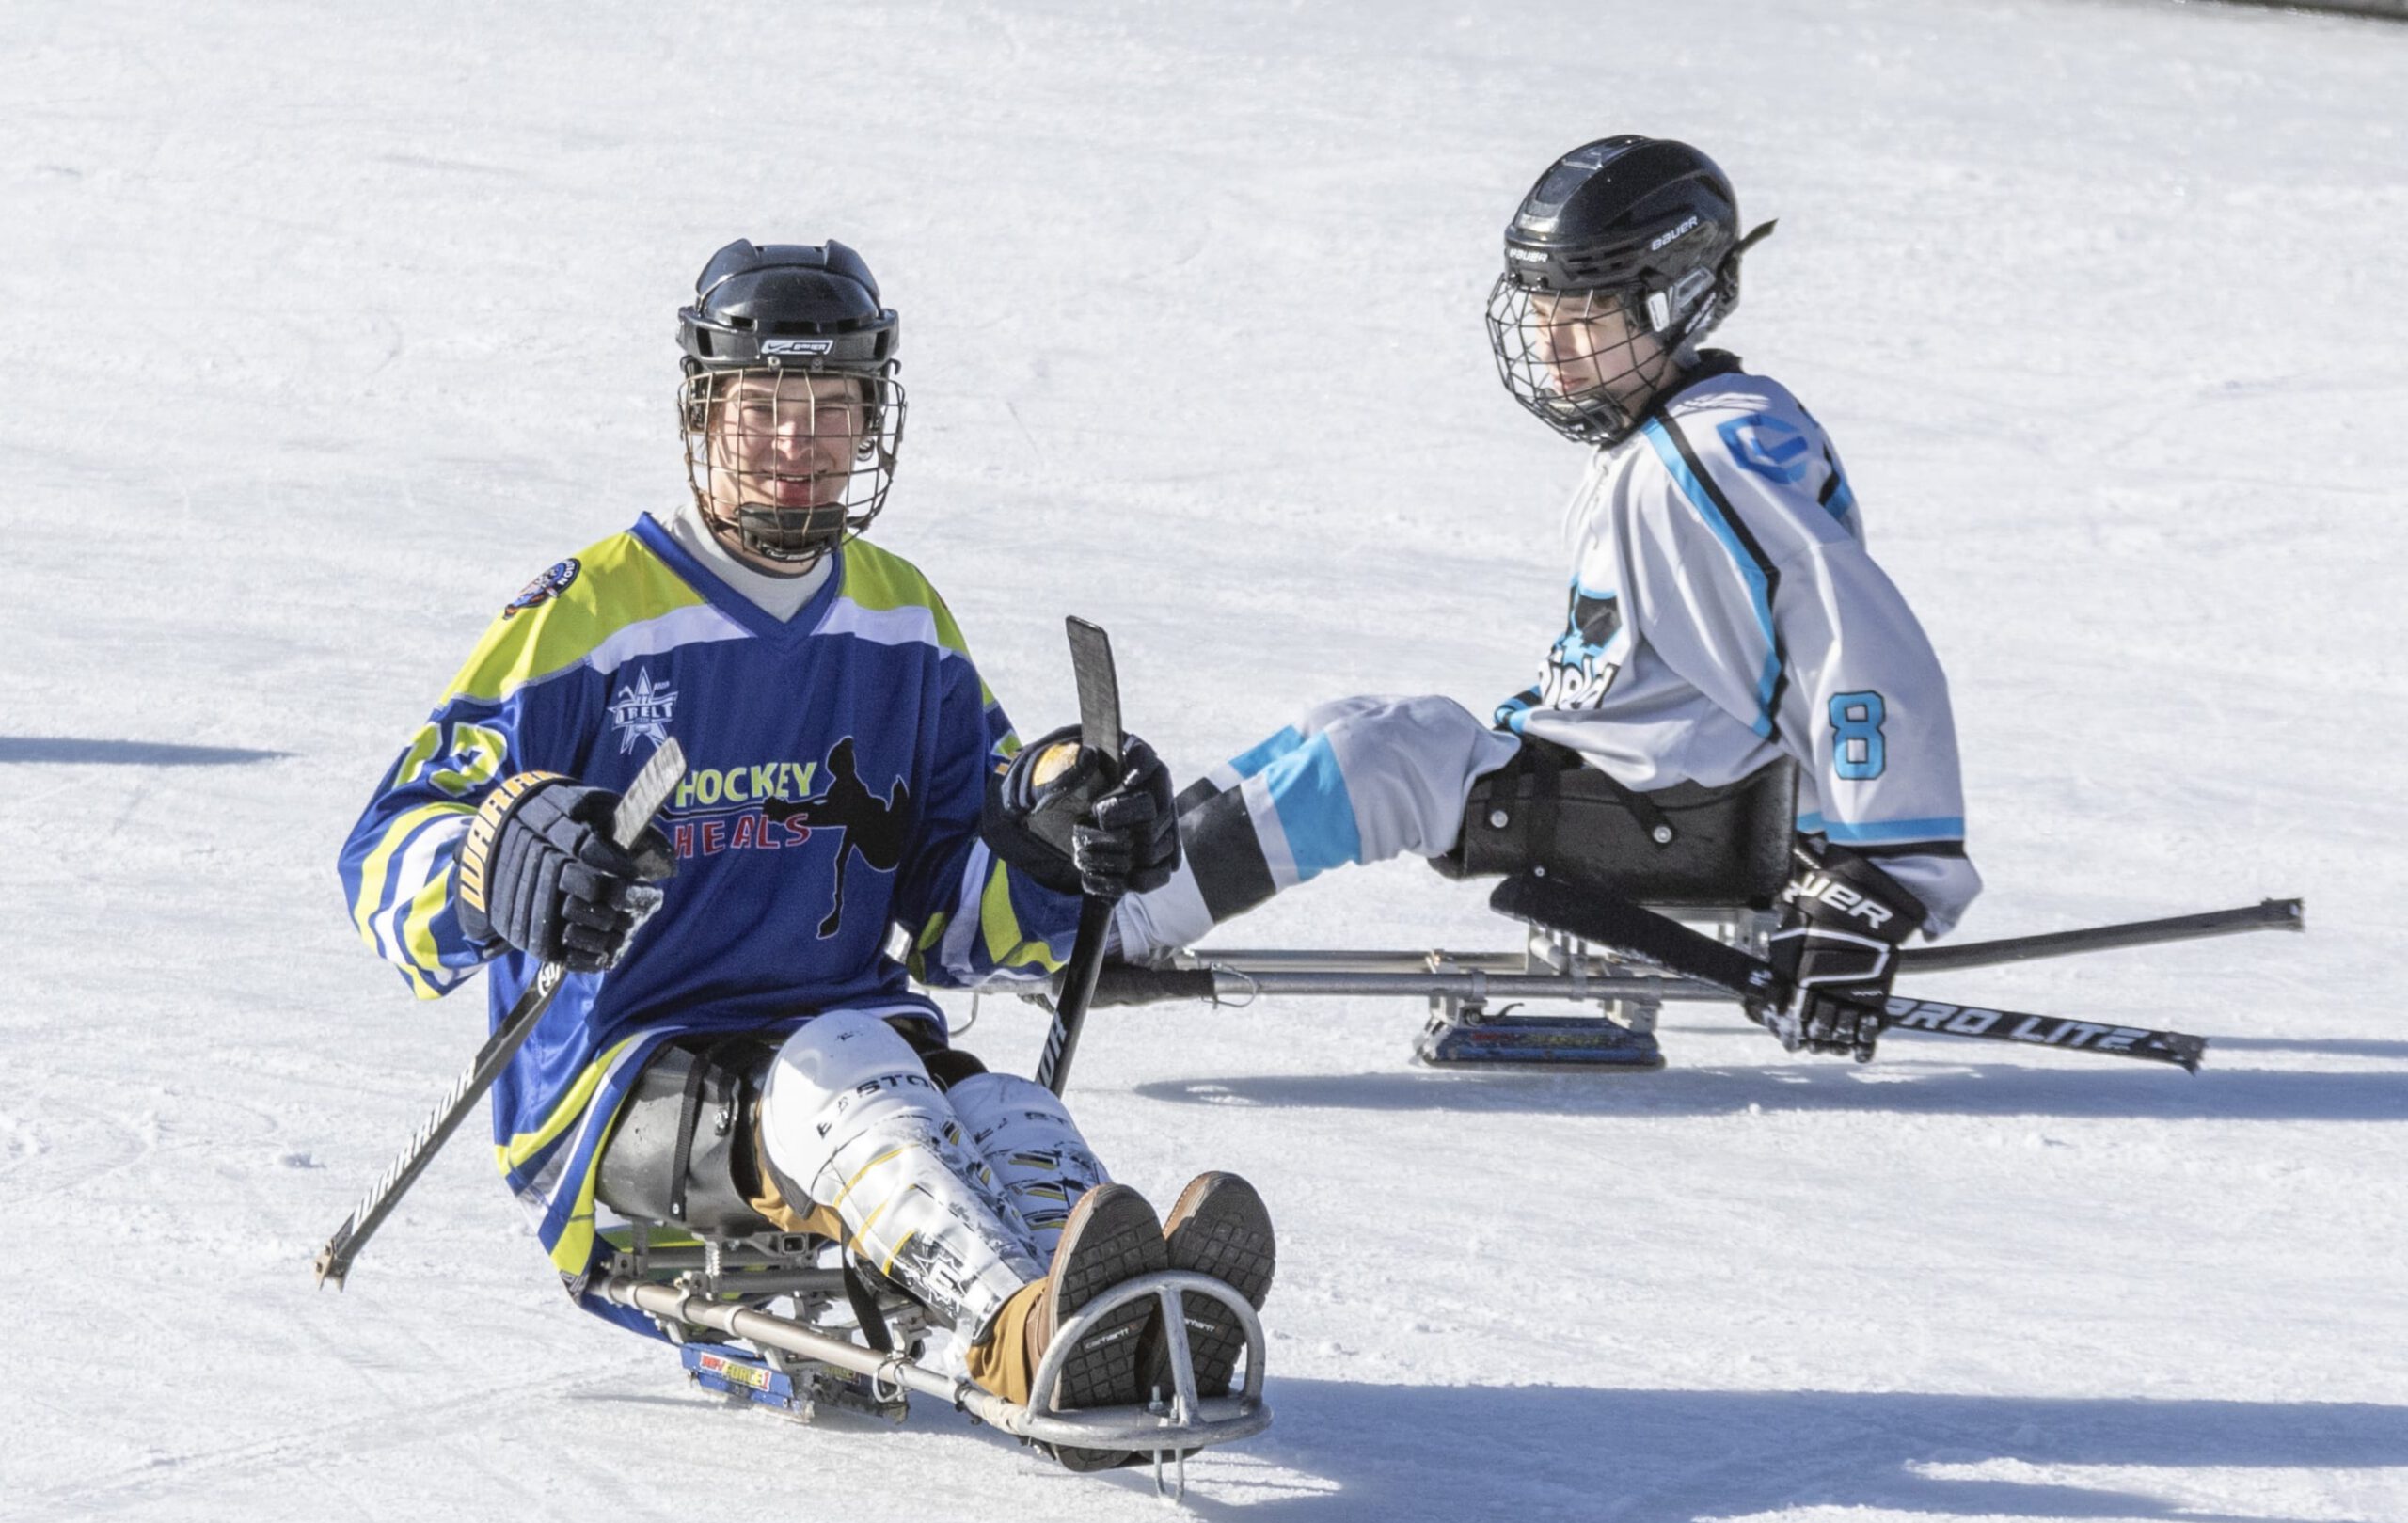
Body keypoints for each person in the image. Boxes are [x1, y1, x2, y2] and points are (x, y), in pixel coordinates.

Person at [338, 238, 1274, 1427]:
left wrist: (1053, 838)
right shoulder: (589, 617)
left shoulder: (899, 617)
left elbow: (958, 921)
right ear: (702, 413)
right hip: (624, 1081)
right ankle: (1017, 1336)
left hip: (850, 1044)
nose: (801, 443)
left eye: (835, 407)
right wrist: (503, 857)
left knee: (1005, 1113)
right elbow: (385, 848)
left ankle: (1127, 1321)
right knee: (855, 1081)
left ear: (876, 419)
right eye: (765, 407)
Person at [1113, 137, 1982, 1059]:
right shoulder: (1685, 430)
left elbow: (1856, 647)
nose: (1552, 345)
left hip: (1678, 813)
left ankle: (1116, 929)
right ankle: (1121, 885)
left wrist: (1878, 879)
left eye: (1588, 314)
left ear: (1677, 298)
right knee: (1350, 723)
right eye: (1540, 312)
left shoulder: (1698, 463)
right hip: (1657, 780)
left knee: (1379, 761)